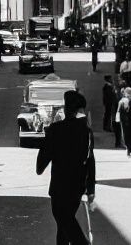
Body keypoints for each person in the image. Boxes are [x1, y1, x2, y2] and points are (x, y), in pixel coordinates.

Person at [36, 90, 95, 245]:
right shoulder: (86, 131)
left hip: (59, 185)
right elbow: (90, 160)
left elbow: (43, 157)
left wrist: (40, 167)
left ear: (65, 108)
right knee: (63, 226)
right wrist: (91, 189)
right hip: (77, 186)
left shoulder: (55, 129)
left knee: (64, 220)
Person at [117, 89, 131, 157]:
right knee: (125, 134)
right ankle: (128, 147)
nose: (129, 95)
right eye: (127, 93)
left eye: (130, 93)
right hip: (124, 121)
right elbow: (119, 110)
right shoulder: (122, 101)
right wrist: (118, 119)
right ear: (125, 94)